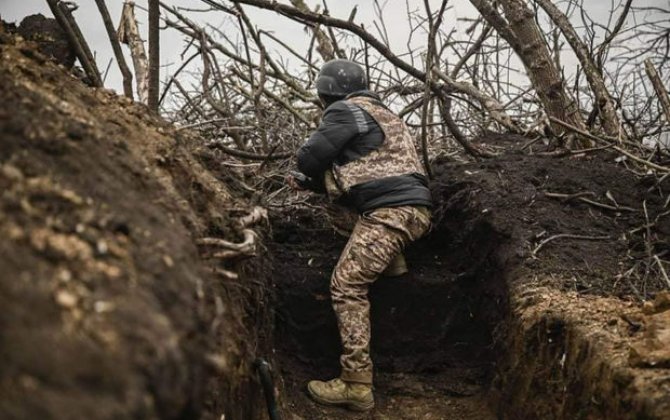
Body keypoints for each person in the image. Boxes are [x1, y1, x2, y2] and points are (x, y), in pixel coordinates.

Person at [288, 59, 433, 412]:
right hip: (413, 210)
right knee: (343, 204)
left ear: (326, 92)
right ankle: (391, 261)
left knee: (347, 285)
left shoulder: (345, 110)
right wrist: (319, 184)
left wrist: (307, 173)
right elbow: (365, 175)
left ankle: (355, 384)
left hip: (390, 215)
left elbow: (309, 157)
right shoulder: (385, 114)